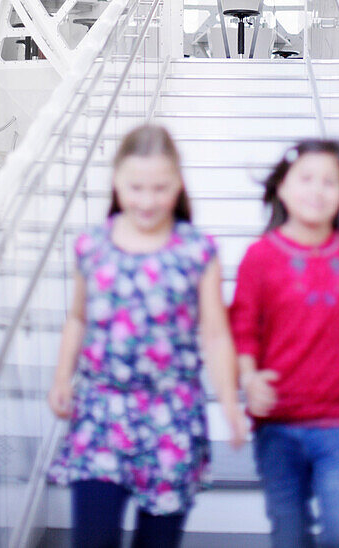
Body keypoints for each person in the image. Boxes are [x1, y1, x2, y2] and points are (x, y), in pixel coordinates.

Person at [48, 124, 246, 548]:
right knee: (93, 540)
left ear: (178, 184)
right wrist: (62, 378)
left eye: (161, 188)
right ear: (117, 182)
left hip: (171, 420)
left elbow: (214, 334)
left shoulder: (198, 249)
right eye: (135, 187)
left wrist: (229, 402)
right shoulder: (91, 246)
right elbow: (78, 318)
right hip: (101, 414)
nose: (148, 200)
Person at [230, 138, 339, 548]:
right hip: (278, 428)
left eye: (330, 182)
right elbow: (242, 329)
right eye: (306, 179)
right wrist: (249, 380)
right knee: (290, 536)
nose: (317, 191)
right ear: (282, 187)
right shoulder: (260, 257)